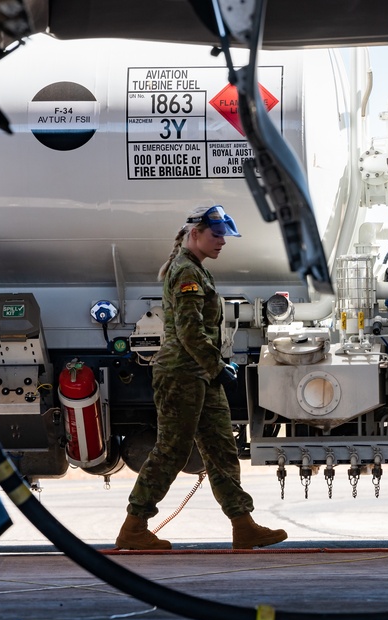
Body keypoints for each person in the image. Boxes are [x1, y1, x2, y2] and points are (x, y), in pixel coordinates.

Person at [115, 204, 288, 550]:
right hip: (182, 373)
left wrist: (213, 368)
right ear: (195, 234)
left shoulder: (195, 269)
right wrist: (216, 366)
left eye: (224, 235)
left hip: (200, 374)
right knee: (172, 451)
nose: (222, 241)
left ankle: (243, 524)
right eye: (216, 235)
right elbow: (189, 330)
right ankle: (134, 526)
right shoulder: (187, 273)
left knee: (222, 449)